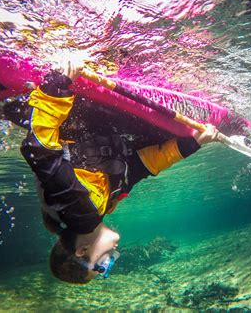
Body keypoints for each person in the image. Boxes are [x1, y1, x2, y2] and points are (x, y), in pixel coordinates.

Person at [20, 65, 218, 284]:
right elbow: (140, 166)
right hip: (101, 124)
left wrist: (58, 83)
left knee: (152, 132)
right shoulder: (98, 209)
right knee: (154, 138)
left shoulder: (74, 209)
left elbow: (39, 151)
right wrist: (193, 143)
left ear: (82, 250)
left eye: (102, 266)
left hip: (79, 113)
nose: (111, 261)